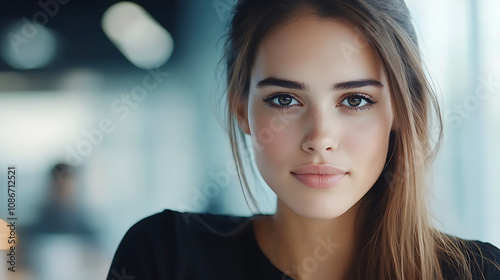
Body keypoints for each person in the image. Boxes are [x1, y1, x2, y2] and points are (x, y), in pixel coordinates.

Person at [106, 0, 500, 279]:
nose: (320, 138)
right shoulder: (165, 256)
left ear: (401, 109)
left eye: (356, 100)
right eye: (285, 100)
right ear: (242, 109)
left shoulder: (479, 273)